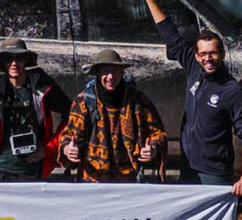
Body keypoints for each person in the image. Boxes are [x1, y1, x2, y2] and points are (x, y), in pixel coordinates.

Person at [135, 0, 242, 202]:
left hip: (214, 173)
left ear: (222, 54)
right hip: (188, 165)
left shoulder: (231, 90)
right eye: (204, 54)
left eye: (213, 53)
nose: (208, 59)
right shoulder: (194, 68)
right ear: (197, 56)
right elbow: (171, 35)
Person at [59, 50, 169, 183]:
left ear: (122, 72)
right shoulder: (84, 101)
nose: (110, 76)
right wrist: (67, 149)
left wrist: (153, 149)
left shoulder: (137, 100)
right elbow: (68, 137)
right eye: (105, 71)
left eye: (115, 71)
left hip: (128, 179)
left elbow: (158, 134)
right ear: (98, 73)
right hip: (92, 179)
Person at [0, 43, 65, 180]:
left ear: (26, 60)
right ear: (4, 63)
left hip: (33, 171)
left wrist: (49, 148)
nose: (14, 64)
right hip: (0, 170)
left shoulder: (42, 86)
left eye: (19, 59)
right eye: (9, 59)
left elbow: (72, 117)